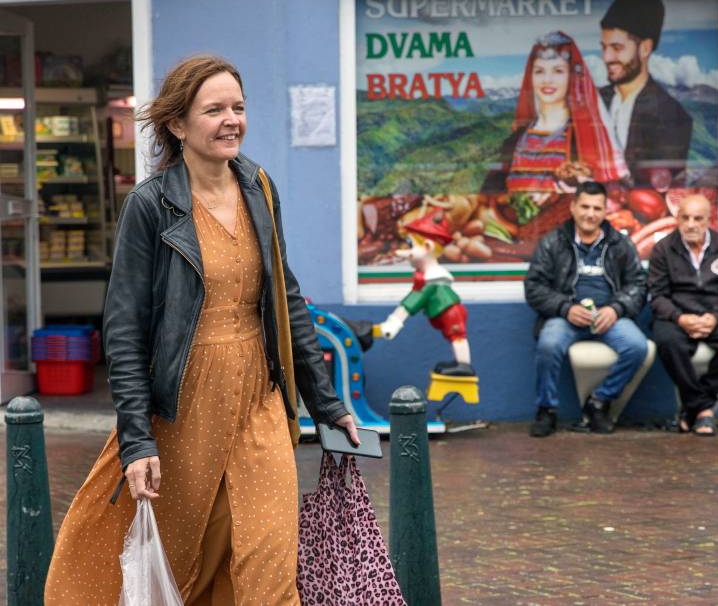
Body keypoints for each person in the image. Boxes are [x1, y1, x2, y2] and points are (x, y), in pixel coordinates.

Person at [45, 56, 358, 605]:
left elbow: (285, 296)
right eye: (214, 110)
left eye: (238, 107)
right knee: (183, 566)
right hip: (184, 409)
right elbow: (123, 329)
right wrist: (137, 440)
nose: (231, 120)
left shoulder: (259, 187)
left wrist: (326, 403)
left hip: (259, 402)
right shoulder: (152, 205)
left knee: (270, 566)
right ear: (178, 124)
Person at [523, 180, 648, 436]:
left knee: (637, 347)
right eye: (585, 207)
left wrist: (615, 308)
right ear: (572, 207)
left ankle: (599, 402)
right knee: (548, 344)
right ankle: (546, 409)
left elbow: (639, 284)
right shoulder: (553, 242)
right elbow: (534, 286)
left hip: (608, 318)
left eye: (597, 208)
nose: (590, 214)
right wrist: (565, 307)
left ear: (605, 212)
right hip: (566, 317)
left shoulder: (620, 244)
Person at [647, 194, 718, 437]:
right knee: (667, 342)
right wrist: (680, 318)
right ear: (676, 218)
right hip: (677, 316)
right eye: (685, 218)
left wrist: (714, 317)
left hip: (714, 316)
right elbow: (657, 295)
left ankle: (692, 408)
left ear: (709, 220)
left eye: (698, 218)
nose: (691, 224)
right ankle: (704, 410)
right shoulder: (662, 249)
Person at [482, 30, 627, 193]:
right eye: (539, 71)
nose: (547, 80)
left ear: (571, 77)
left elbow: (610, 190)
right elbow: (490, 193)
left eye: (558, 71)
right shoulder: (517, 139)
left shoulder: (585, 137)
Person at [598, 0, 693, 191]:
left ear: (645, 49)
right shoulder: (593, 100)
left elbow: (660, 188)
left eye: (616, 47)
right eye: (604, 47)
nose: (606, 57)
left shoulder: (672, 116)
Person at [377, 211, 474, 376]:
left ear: (428, 247)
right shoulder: (429, 277)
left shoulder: (431, 280)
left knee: (457, 336)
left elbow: (413, 301)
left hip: (451, 313)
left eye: (411, 245)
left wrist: (394, 323)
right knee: (454, 336)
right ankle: (460, 362)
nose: (408, 251)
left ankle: (464, 366)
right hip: (446, 312)